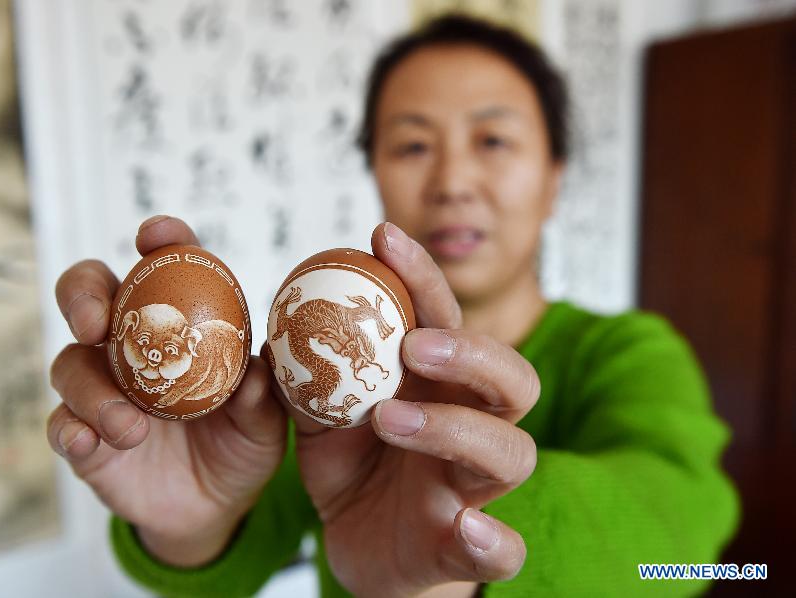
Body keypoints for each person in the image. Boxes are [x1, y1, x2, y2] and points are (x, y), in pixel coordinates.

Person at [46, 15, 739, 597]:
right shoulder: (309, 402)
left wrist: (459, 544)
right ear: (374, 171)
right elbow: (239, 562)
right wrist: (192, 521)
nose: (452, 181)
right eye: (411, 144)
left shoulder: (629, 353)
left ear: (554, 178)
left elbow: (688, 546)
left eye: (493, 140)